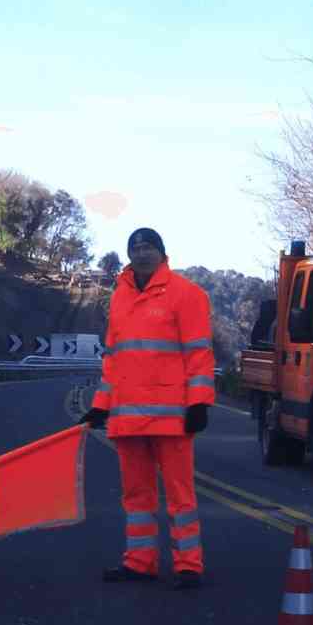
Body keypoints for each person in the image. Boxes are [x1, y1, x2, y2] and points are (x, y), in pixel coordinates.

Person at [81, 227, 215, 588]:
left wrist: (199, 403)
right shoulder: (120, 298)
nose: (141, 254)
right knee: (136, 496)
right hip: (127, 418)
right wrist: (100, 405)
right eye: (135, 248)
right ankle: (139, 562)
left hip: (171, 416)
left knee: (179, 494)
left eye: (148, 247)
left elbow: (199, 353)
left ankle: (189, 564)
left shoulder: (187, 295)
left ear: (162, 252)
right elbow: (113, 360)